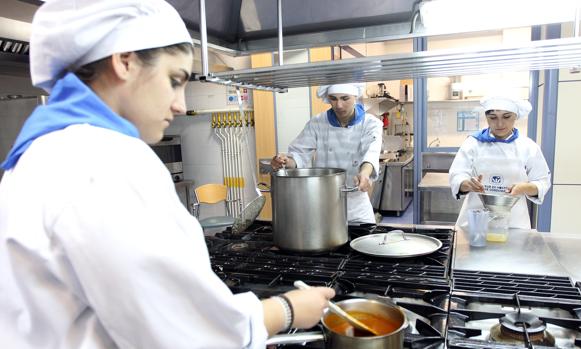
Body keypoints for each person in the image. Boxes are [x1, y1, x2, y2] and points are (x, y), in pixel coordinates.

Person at [0, 1, 334, 348]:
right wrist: (287, 310)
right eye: (175, 80)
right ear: (124, 61)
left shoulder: (41, 153)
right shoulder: (105, 162)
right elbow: (185, 334)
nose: (179, 104)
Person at [270, 83, 383, 224]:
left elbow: (371, 152)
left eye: (345, 98)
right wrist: (285, 161)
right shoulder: (318, 122)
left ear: (355, 97)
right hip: (323, 204)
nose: (339, 105)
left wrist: (364, 174)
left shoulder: (371, 123)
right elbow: (299, 154)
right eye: (333, 99)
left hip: (356, 205)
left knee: (363, 244)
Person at [448, 94, 551, 229]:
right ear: (486, 117)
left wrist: (524, 188)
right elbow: (457, 176)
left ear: (516, 116)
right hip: (475, 223)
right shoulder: (473, 143)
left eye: (506, 117)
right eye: (493, 118)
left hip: (514, 223)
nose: (500, 124)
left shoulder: (528, 147)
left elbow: (542, 182)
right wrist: (467, 184)